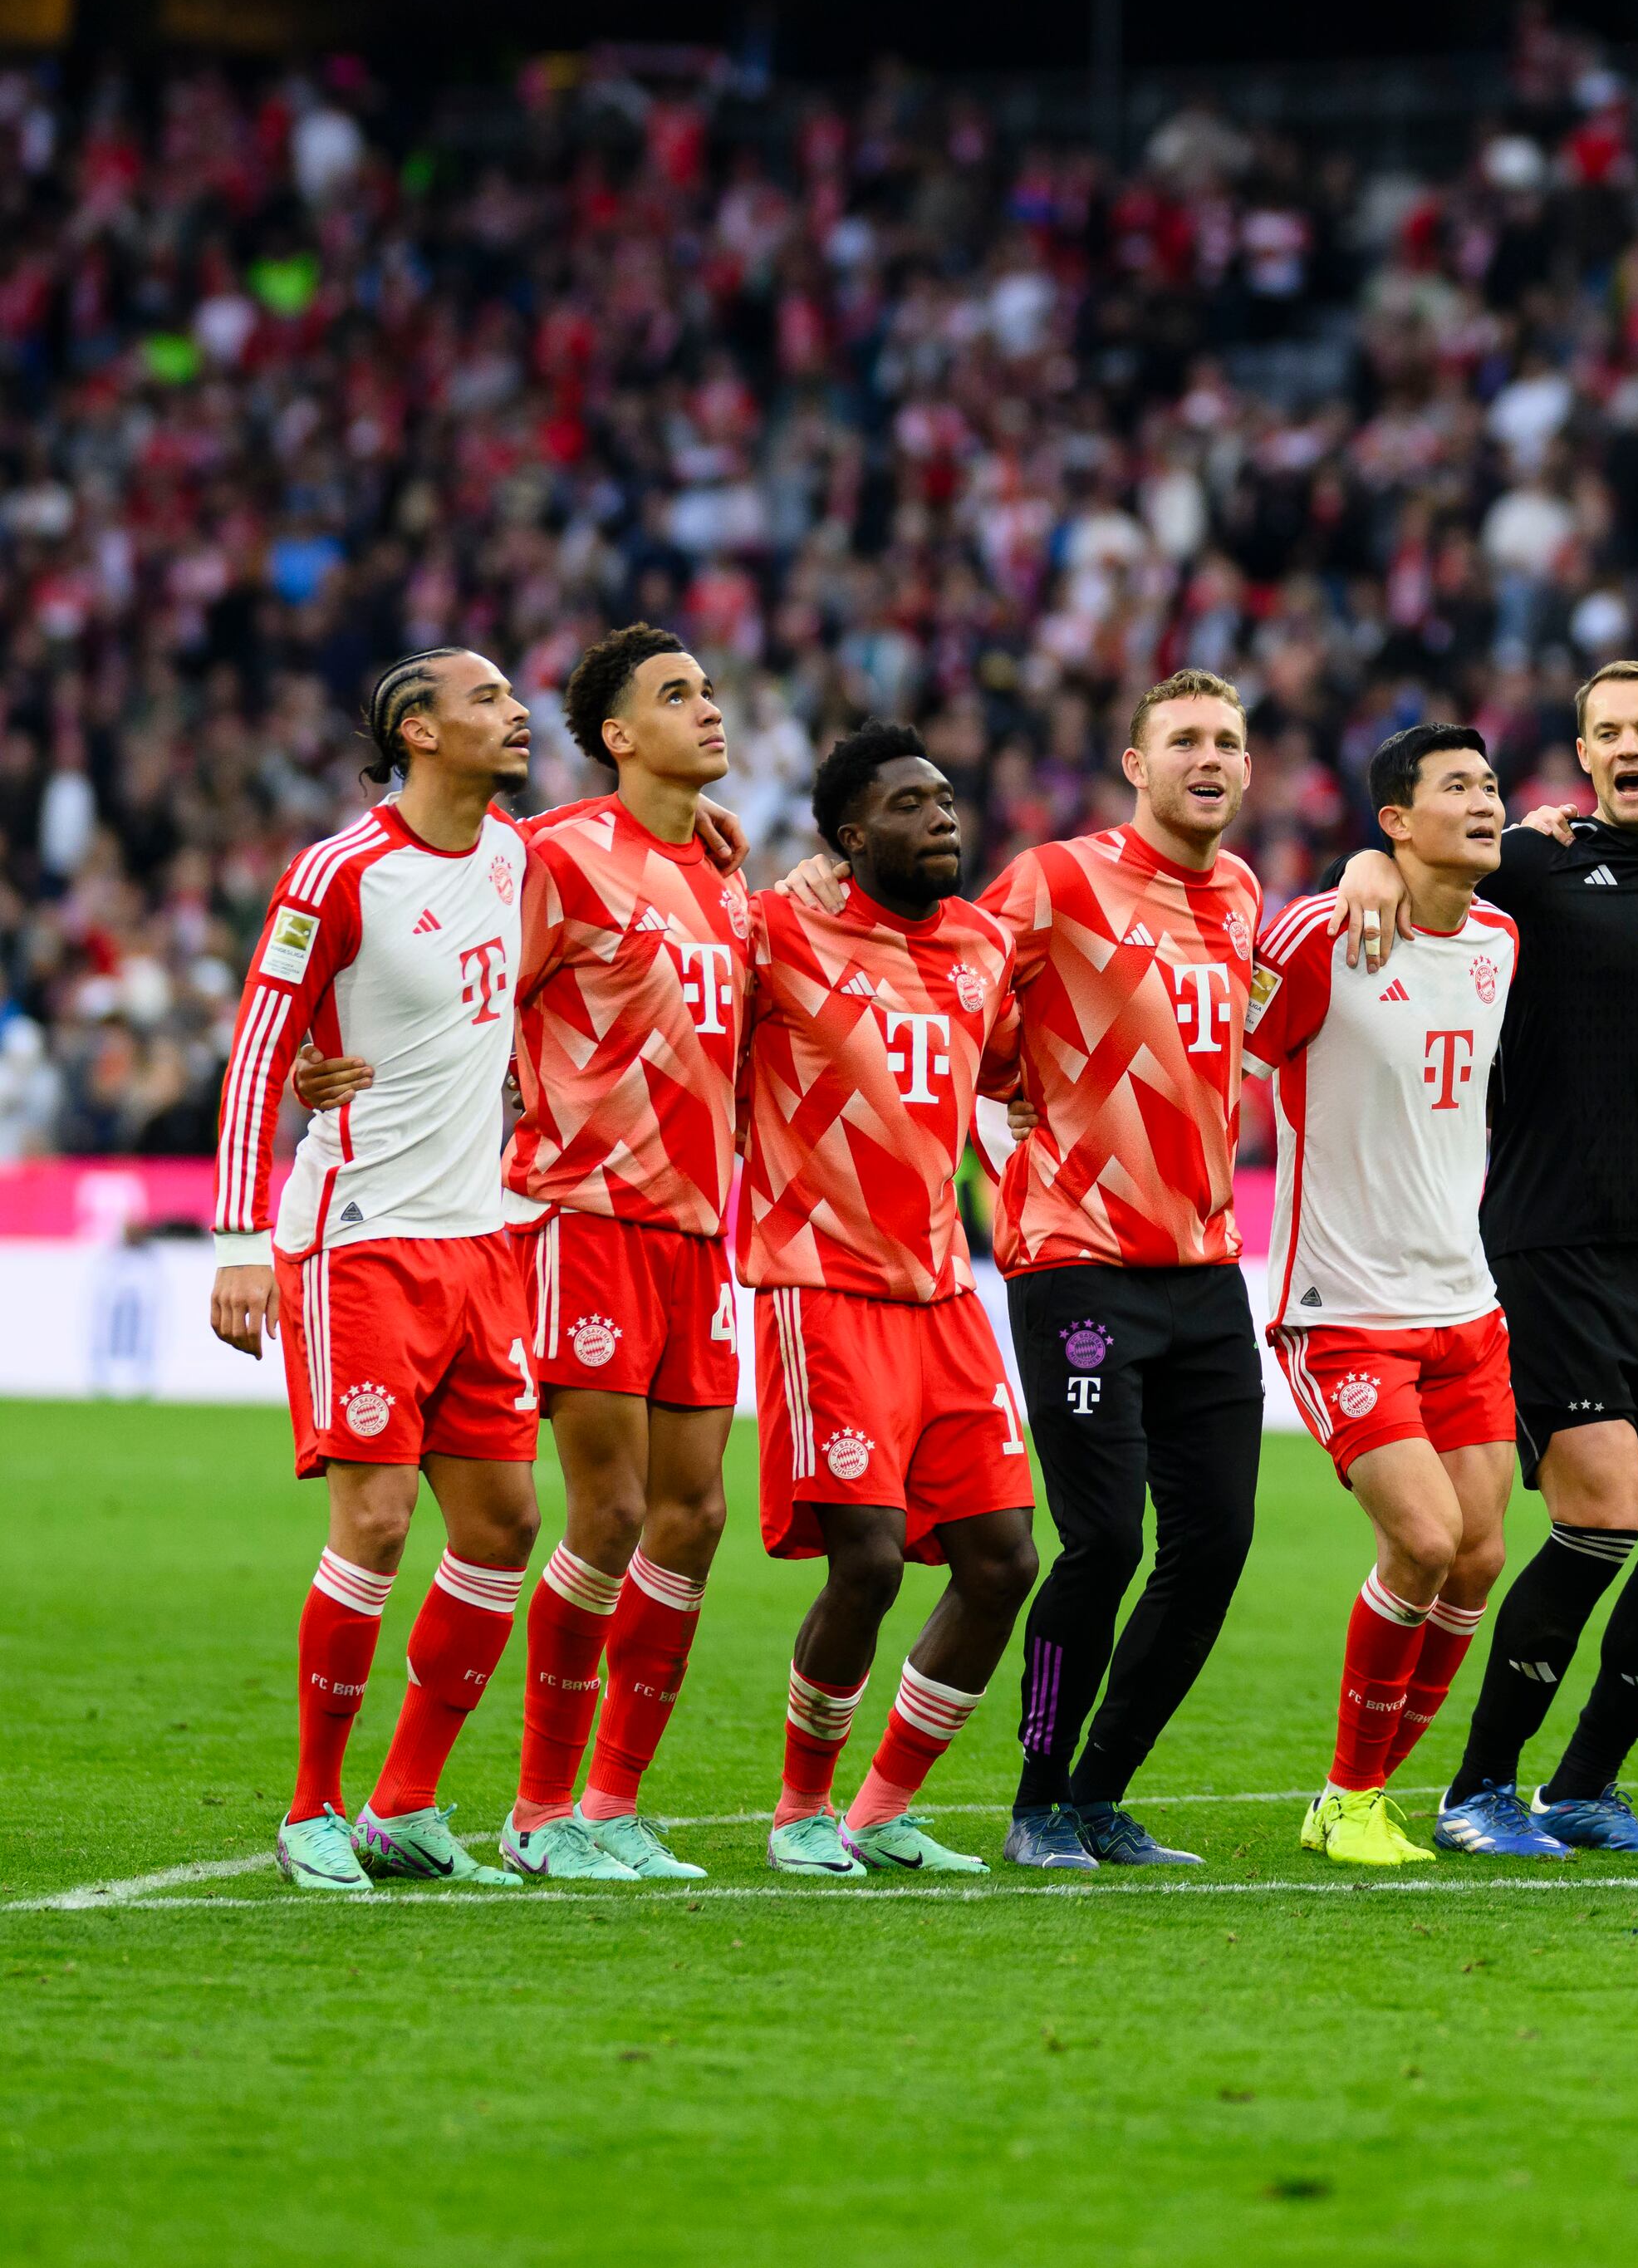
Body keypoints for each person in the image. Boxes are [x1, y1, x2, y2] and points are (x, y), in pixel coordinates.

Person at [1335, 662, 1638, 1858]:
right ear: (1584, 755)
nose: (1628, 745)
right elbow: (1405, 863)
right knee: (1601, 1514)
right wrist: (1366, 865)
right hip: (1549, 1241)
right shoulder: (1529, 864)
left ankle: (1586, 1786)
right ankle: (1480, 1789)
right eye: (1606, 731)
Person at [211, 650, 544, 1891]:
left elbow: (630, 856)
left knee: (506, 1526)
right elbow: (258, 1053)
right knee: (379, 1518)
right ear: (418, 730)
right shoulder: (338, 873)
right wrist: (244, 1244)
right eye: (489, 700)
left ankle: (404, 1808)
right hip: (358, 1236)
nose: (515, 714)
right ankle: (311, 1808)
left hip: (483, 1238)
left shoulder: (515, 854)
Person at [964, 669, 1268, 1868]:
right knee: (1102, 1541)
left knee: (1217, 1546)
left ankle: (1099, 1792)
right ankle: (1037, 1798)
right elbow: (960, 1005)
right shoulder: (1054, 879)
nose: (1210, 757)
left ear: (1249, 771)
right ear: (1135, 766)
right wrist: (1017, 1120)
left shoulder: (1241, 890)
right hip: (1078, 1264)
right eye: (1184, 739)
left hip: (1203, 1268)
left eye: (1229, 742)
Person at [734, 725, 1040, 1876]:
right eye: (911, 805)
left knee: (1005, 1560)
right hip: (819, 1285)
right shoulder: (776, 927)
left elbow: (1012, 1076)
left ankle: (880, 1808)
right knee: (862, 1557)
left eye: (949, 798)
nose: (944, 817)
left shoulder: (980, 946)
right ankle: (800, 1810)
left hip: (943, 1292)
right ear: (852, 837)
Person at [491, 626, 753, 1883]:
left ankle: (611, 1806)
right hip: (583, 1216)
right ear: (615, 735)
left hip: (702, 1231)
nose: (708, 709)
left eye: (707, 689)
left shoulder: (724, 880)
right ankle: (539, 1813)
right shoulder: (554, 858)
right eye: (675, 694)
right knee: (611, 1510)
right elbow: (466, 994)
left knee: (694, 1516)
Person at [1247, 724, 1521, 1868]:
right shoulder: (1323, 934)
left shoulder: (1505, 935)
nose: (1487, 798)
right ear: (1396, 821)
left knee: (1476, 1559)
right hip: (1342, 1301)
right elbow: (1225, 1039)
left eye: (1492, 782)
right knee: (1422, 1538)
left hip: (1467, 1304)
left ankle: (1367, 1796)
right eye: (1456, 786)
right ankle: (1349, 1794)